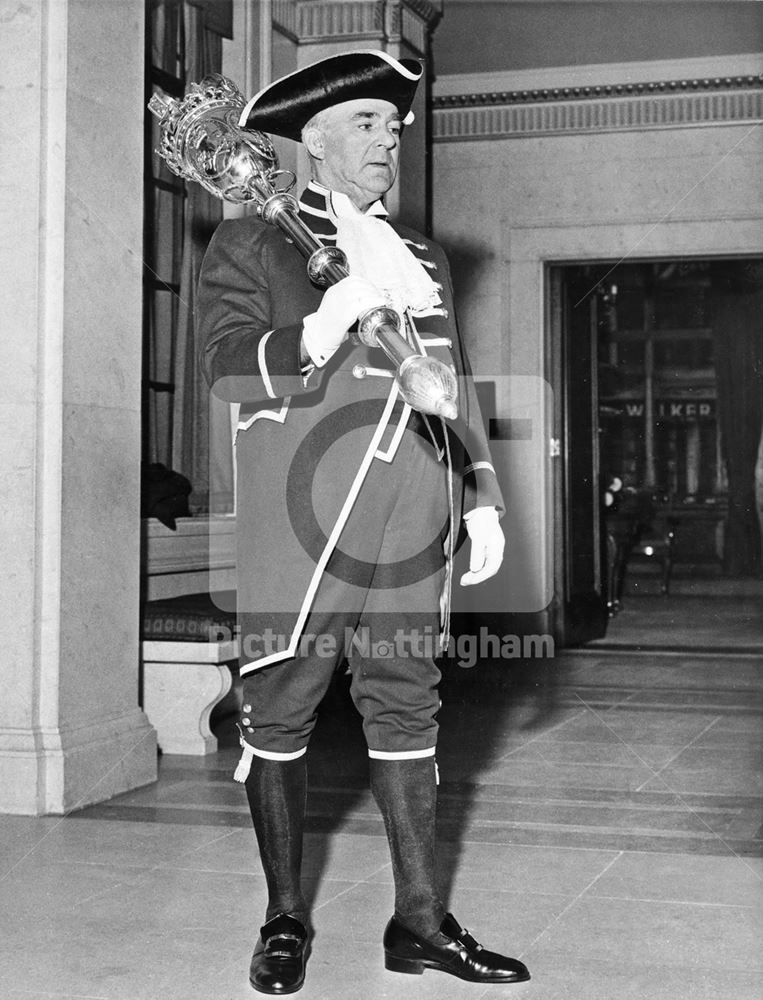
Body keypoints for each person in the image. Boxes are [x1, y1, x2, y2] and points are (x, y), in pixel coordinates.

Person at [197, 50, 530, 994]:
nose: (393, 137)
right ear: (313, 137)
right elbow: (224, 367)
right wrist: (312, 327)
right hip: (307, 520)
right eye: (370, 123)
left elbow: (447, 385)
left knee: (406, 705)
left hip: (412, 511)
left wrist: (479, 493)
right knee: (281, 710)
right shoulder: (256, 241)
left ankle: (419, 922)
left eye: (395, 124)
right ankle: (283, 919)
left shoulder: (421, 256)